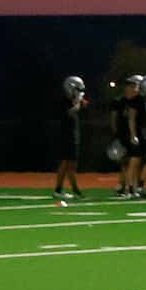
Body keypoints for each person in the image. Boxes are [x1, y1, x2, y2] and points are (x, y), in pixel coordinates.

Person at [110, 76, 146, 200]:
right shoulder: (122, 101)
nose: (130, 88)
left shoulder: (138, 99)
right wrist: (118, 134)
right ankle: (127, 188)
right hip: (126, 135)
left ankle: (128, 188)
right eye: (129, 86)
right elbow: (121, 119)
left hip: (131, 134)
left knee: (133, 162)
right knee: (130, 162)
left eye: (133, 86)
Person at [53, 75, 85, 203]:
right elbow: (71, 112)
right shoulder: (64, 102)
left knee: (71, 164)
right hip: (66, 135)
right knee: (65, 163)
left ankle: (74, 190)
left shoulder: (72, 101)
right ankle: (59, 189)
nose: (79, 92)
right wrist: (78, 101)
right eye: (77, 89)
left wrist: (80, 102)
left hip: (73, 134)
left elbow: (83, 107)